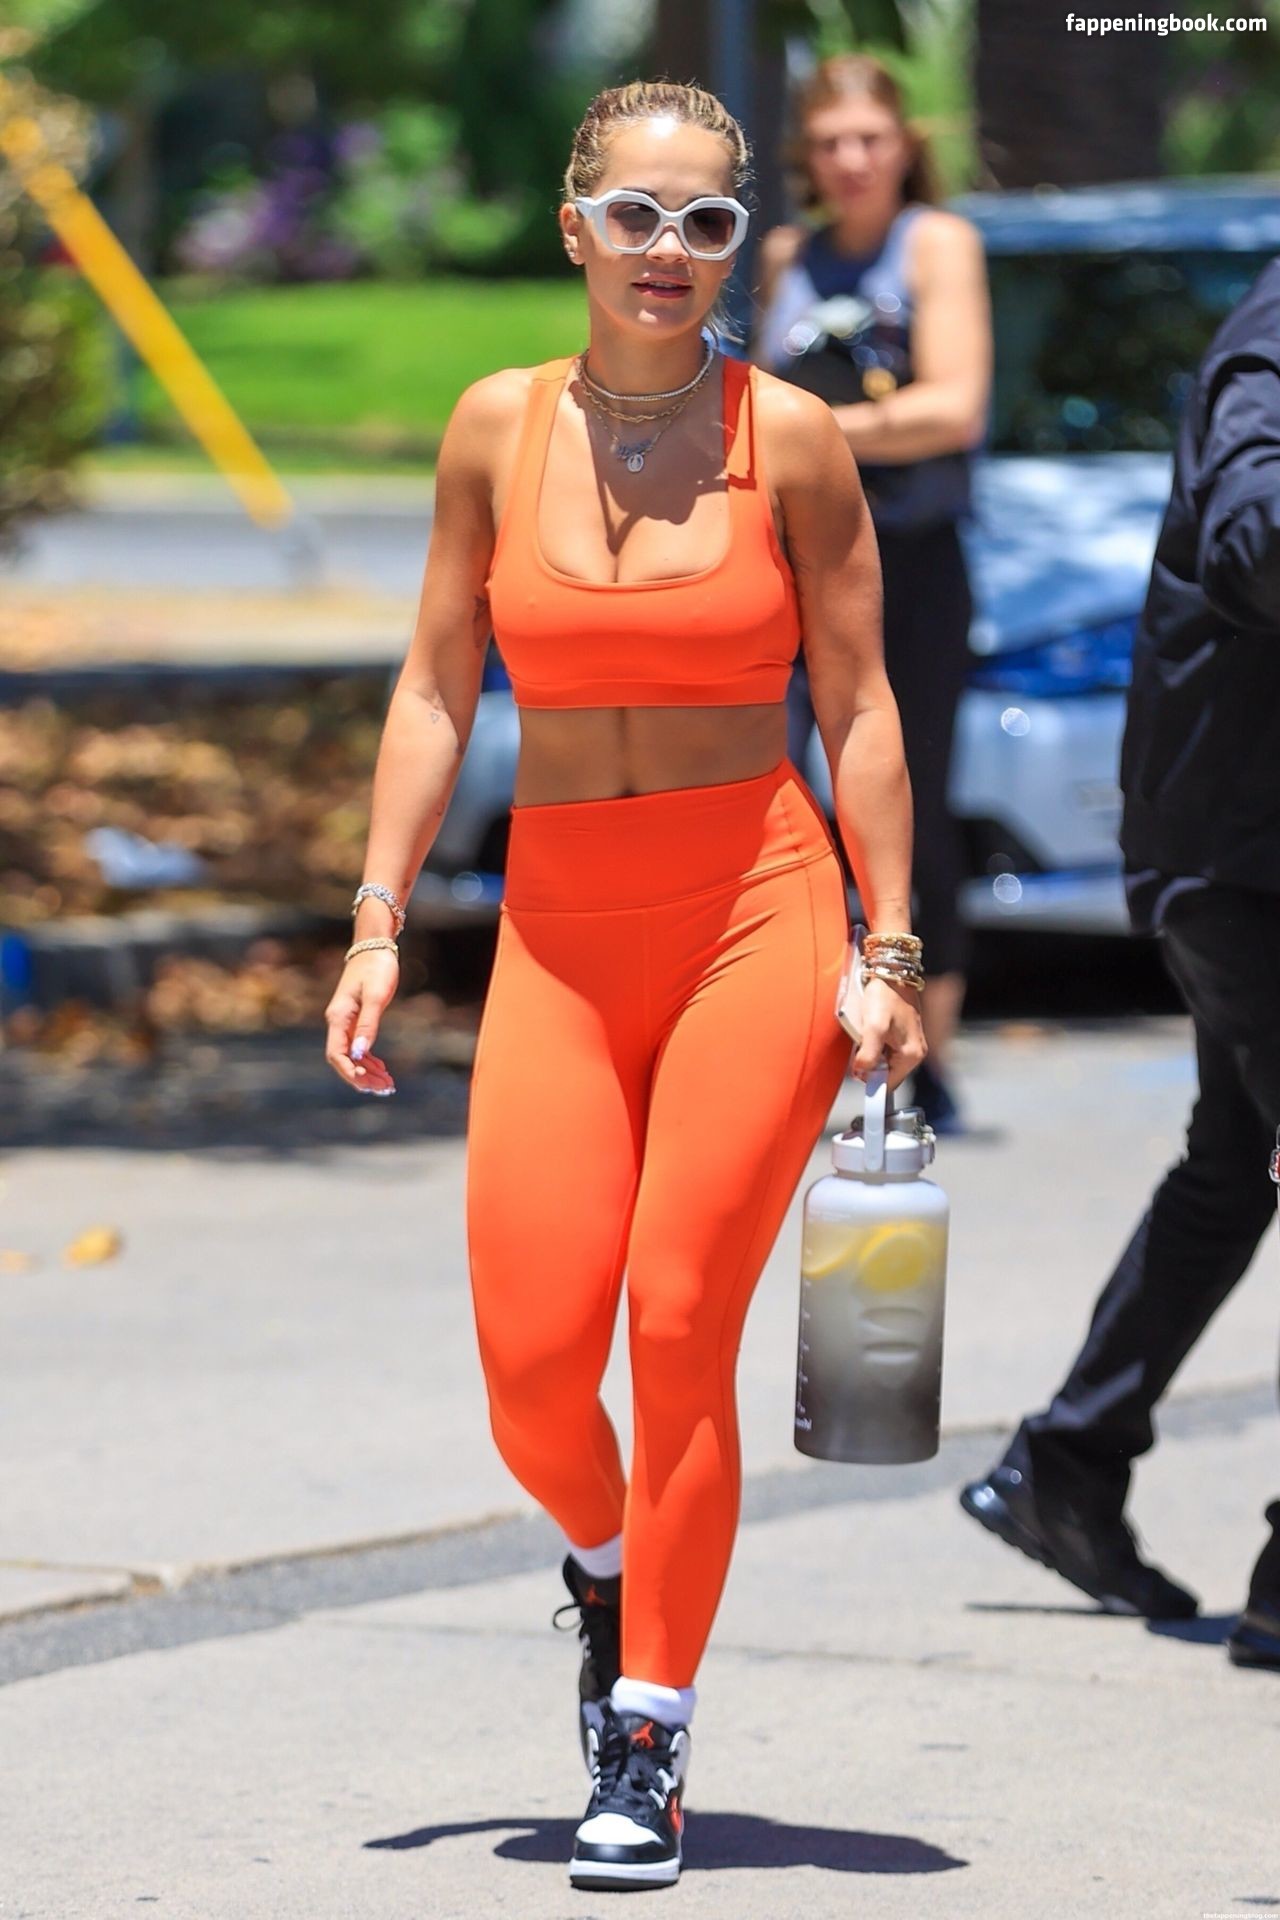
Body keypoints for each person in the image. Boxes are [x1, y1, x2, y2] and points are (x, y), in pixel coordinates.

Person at [323, 79, 926, 1892]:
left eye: (708, 221)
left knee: (677, 1328)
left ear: (740, 244)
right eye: (640, 215)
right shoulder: (493, 428)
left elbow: (860, 707)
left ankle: (645, 1730)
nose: (672, 251)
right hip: (560, 932)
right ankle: (605, 1562)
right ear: (575, 224)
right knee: (530, 1374)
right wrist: (377, 917)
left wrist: (890, 946)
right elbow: (436, 685)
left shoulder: (792, 439)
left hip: (757, 907)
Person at [961, 257, 1280, 1671]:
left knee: (1232, 1163)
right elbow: (1254, 529)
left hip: (1241, 840)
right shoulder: (1274, 343)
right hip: (1242, 851)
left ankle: (1067, 1466)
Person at [753, 53, 991, 1133]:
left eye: (869, 138)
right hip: (791, 560)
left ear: (904, 146)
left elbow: (952, 407)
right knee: (774, 796)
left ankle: (927, 1053)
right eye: (829, 141)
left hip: (910, 563)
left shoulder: (935, 244)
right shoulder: (785, 255)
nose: (850, 159)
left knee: (907, 801)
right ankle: (792, 1036)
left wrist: (807, 433)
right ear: (804, 155)